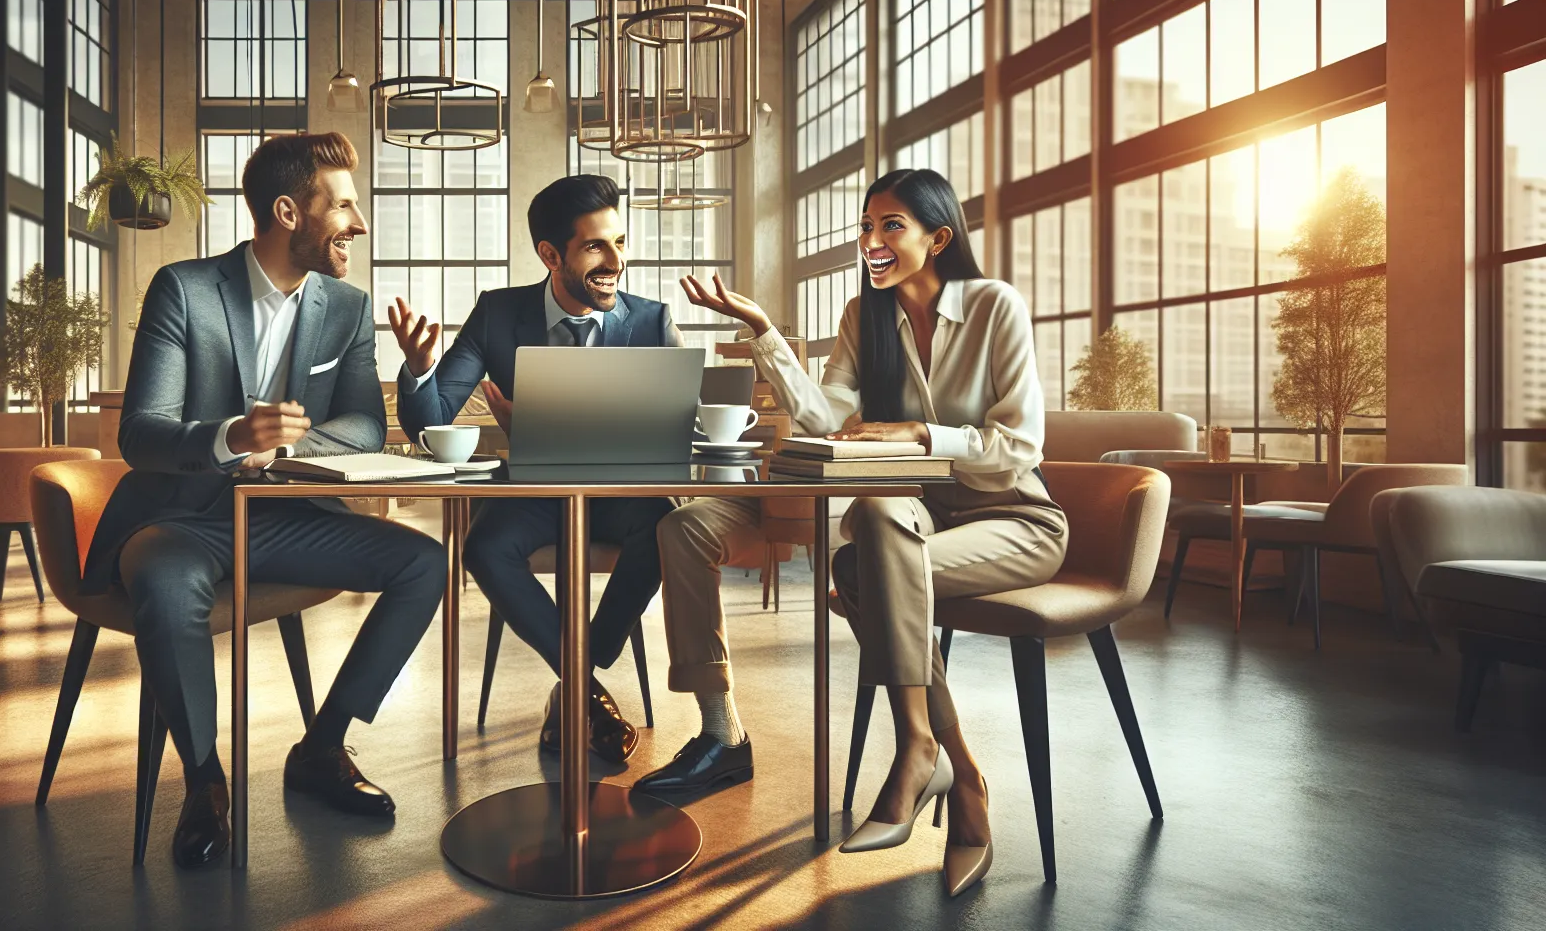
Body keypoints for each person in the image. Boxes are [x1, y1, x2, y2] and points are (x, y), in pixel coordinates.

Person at [648, 168, 1064, 896]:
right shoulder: (861, 317)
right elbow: (826, 419)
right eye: (865, 226)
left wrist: (920, 432)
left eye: (890, 226)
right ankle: (956, 775)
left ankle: (927, 758)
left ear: (939, 238)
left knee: (871, 568)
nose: (870, 240)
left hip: (1012, 516)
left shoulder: (996, 306)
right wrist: (767, 335)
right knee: (871, 531)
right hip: (911, 516)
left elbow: (1018, 446)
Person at [85, 132, 448, 869]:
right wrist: (228, 434)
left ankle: (322, 745)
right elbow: (143, 433)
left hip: (286, 521)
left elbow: (364, 425)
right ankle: (205, 782)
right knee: (160, 576)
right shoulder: (183, 290)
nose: (359, 222)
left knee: (425, 565)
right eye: (343, 204)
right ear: (288, 211)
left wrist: (280, 447)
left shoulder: (347, 307)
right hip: (185, 518)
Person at [389, 173, 680, 764]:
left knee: (664, 531)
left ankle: (574, 677)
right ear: (551, 254)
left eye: (620, 243)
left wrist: (558, 423)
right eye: (596, 246)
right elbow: (431, 419)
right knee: (482, 548)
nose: (615, 261)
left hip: (622, 496)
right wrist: (419, 369)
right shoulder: (498, 315)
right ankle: (587, 689)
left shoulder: (652, 321)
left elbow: (678, 435)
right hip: (534, 494)